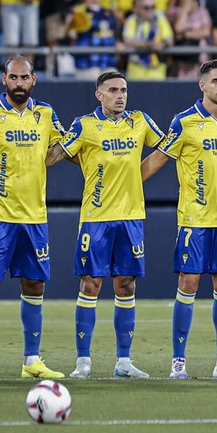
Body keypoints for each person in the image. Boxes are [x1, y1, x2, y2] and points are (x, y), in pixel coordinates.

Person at [0, 57, 69, 379]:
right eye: (13, 77)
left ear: (34, 79)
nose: (19, 83)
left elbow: (66, 148)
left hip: (34, 216)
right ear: (3, 79)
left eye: (25, 77)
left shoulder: (45, 114)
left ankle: (31, 360)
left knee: (34, 285)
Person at [140, 59, 217, 378]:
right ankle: (178, 361)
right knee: (188, 283)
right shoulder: (184, 122)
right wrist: (127, 186)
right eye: (216, 81)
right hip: (195, 218)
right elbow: (158, 158)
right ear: (202, 85)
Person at [51, 70, 160, 378]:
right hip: (96, 218)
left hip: (131, 217)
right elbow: (55, 155)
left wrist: (135, 179)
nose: (120, 95)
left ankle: (123, 362)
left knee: (126, 285)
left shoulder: (140, 121)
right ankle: (83, 361)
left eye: (123, 89)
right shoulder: (84, 126)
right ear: (99, 95)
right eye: (113, 90)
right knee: (90, 284)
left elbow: (168, 148)